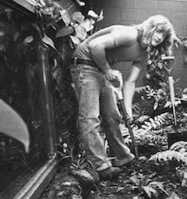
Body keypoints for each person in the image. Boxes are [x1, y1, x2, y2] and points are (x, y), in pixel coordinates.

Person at [69, 15, 176, 180]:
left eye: (163, 36)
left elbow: (130, 83)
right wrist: (107, 71)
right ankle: (101, 167)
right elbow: (95, 45)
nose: (159, 37)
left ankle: (123, 158)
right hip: (85, 63)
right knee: (90, 118)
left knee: (113, 116)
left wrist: (128, 112)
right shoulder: (129, 34)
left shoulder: (144, 55)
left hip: (100, 68)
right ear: (150, 26)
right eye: (158, 31)